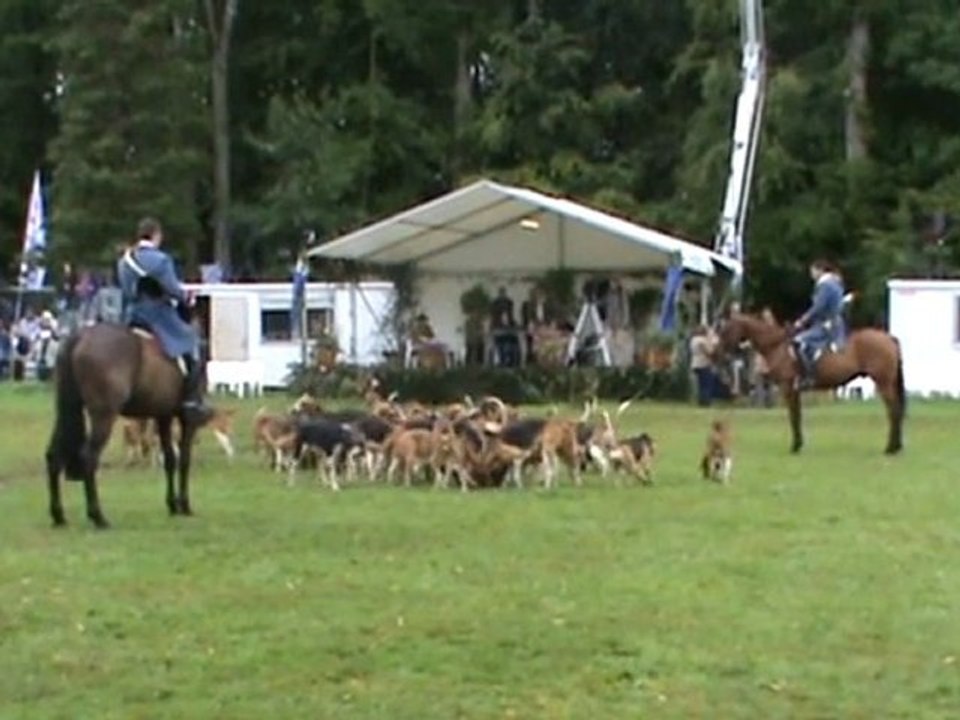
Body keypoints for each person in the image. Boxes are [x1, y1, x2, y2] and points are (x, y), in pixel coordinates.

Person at [117, 217, 212, 423]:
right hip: (157, 316)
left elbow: (125, 292)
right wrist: (187, 297)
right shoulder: (160, 260)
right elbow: (172, 290)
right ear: (156, 235)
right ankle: (191, 400)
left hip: (132, 316)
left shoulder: (124, 261)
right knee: (192, 344)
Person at [792, 259, 846, 390]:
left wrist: (802, 320)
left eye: (813, 271)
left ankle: (808, 376)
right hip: (835, 323)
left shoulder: (825, 286)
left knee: (799, 342)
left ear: (820, 270)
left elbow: (819, 307)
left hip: (826, 326)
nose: (812, 274)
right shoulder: (835, 283)